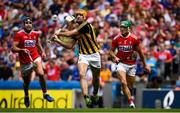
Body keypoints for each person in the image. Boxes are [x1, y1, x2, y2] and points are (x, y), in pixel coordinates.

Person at [53, 9, 101, 107]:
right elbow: (70, 46)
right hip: (83, 55)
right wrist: (58, 41)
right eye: (77, 15)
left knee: (96, 78)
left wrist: (59, 33)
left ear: (84, 18)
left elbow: (69, 34)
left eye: (81, 15)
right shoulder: (77, 30)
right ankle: (86, 97)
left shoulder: (86, 25)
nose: (78, 16)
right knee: (82, 74)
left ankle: (95, 93)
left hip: (94, 54)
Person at [11, 17, 54, 108]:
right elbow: (13, 48)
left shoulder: (35, 33)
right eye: (26, 22)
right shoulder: (19, 34)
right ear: (23, 24)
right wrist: (22, 50)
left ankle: (45, 94)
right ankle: (26, 96)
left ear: (32, 24)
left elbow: (37, 43)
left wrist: (42, 52)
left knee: (41, 74)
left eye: (30, 22)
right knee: (27, 82)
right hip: (25, 62)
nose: (28, 24)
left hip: (35, 57)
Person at [109, 20, 150, 108]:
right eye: (121, 27)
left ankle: (126, 90)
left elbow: (140, 53)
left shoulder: (134, 39)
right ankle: (131, 102)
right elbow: (111, 51)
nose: (122, 29)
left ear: (128, 28)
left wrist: (145, 64)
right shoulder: (116, 39)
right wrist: (115, 57)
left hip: (132, 64)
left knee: (130, 86)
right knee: (123, 82)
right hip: (121, 63)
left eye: (124, 27)